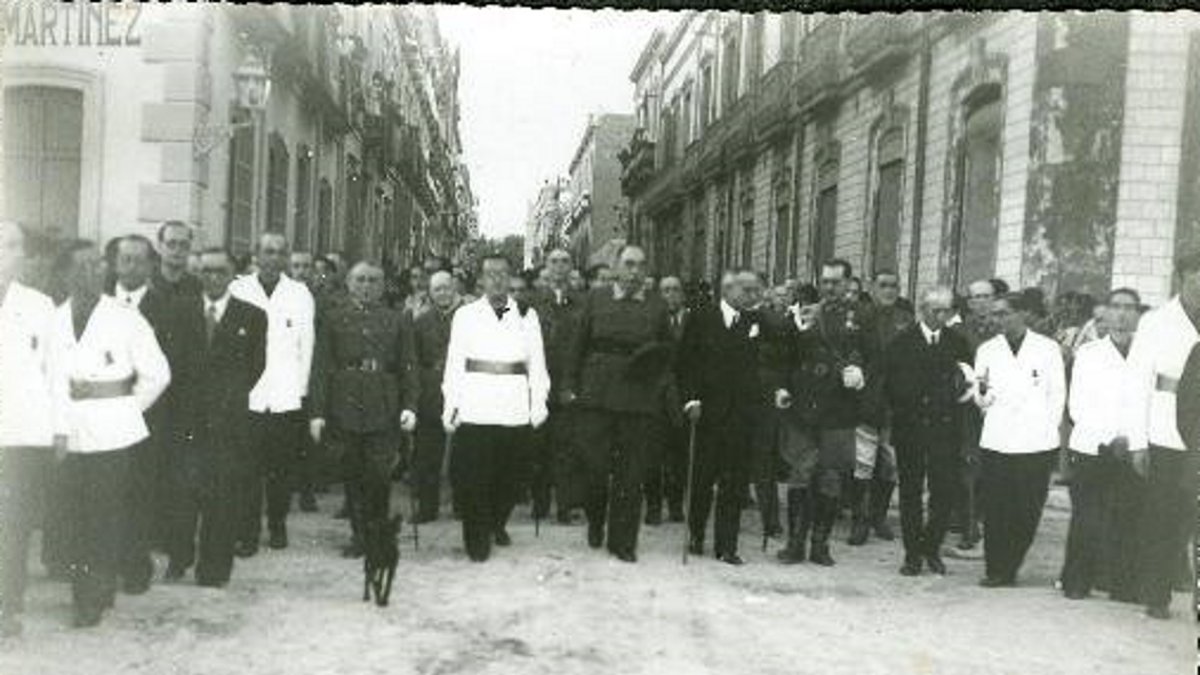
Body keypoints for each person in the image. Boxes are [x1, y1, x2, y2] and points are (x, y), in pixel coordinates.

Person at [49, 239, 170, 627]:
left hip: (111, 434)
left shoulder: (126, 319)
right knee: (73, 515)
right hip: (67, 430)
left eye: (98, 265)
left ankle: (94, 595)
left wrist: (124, 409)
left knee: (105, 515)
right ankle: (83, 588)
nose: (93, 272)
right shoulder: (54, 318)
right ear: (65, 273)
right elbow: (47, 377)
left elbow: (158, 374)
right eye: (82, 266)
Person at [563, 245, 673, 563]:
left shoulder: (656, 306)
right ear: (615, 267)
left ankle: (623, 541)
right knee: (594, 470)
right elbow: (577, 347)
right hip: (597, 396)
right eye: (628, 264)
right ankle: (596, 521)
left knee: (632, 474)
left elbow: (667, 353)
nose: (634, 271)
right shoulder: (595, 300)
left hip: (639, 400)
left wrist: (657, 384)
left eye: (640, 265)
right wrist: (570, 385)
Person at [165, 248, 266, 586]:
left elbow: (255, 367)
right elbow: (171, 364)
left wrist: (227, 400)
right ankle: (178, 559)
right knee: (183, 495)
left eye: (220, 271)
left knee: (222, 498)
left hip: (227, 423)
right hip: (187, 421)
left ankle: (214, 569)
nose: (212, 278)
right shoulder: (179, 311)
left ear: (232, 275)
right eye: (206, 271)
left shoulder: (251, 317)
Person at [442, 254, 550, 562]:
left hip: (514, 402)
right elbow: (454, 364)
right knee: (473, 475)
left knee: (511, 475)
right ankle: (477, 539)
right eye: (490, 274)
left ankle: (495, 522)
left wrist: (538, 401)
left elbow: (537, 363)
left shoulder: (527, 316)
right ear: (481, 280)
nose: (497, 279)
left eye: (503, 273)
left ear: (511, 277)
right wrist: (451, 402)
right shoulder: (465, 315)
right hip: (476, 402)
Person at [309, 261, 417, 557]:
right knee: (353, 474)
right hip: (345, 404)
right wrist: (318, 412)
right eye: (360, 280)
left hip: (383, 404)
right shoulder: (333, 319)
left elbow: (408, 367)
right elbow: (320, 368)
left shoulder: (397, 320)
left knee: (379, 476)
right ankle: (359, 535)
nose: (366, 286)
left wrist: (410, 406)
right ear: (348, 283)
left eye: (372, 281)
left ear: (382, 286)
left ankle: (377, 535)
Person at [772, 259, 875, 567]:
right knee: (800, 475)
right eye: (825, 281)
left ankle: (820, 544)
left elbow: (877, 359)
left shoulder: (863, 318)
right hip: (804, 409)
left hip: (839, 411)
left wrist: (862, 374)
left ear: (847, 284)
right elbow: (785, 357)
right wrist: (781, 387)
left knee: (831, 478)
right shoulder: (806, 314)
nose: (829, 288)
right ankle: (795, 543)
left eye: (835, 282)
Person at [679, 271, 773, 565]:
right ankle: (695, 534)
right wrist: (691, 398)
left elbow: (774, 352)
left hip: (741, 415)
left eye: (756, 290)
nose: (753, 295)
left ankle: (727, 545)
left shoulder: (756, 321)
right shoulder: (701, 318)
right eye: (748, 290)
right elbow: (686, 362)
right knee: (702, 480)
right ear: (728, 289)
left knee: (733, 483)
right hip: (707, 413)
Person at [229, 233, 315, 555]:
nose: (274, 258)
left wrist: (302, 392)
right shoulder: (239, 289)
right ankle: (247, 533)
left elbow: (307, 346)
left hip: (285, 397)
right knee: (247, 470)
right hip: (248, 396)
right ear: (256, 255)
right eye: (268, 251)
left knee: (280, 470)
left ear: (286, 257)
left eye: (280, 253)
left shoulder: (300, 293)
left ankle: (277, 524)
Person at [973, 292, 1066, 588]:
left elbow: (1057, 395)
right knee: (996, 507)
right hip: (998, 440)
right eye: (994, 315)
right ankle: (995, 568)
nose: (998, 320)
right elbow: (980, 396)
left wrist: (1046, 429)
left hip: (1035, 442)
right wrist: (983, 396)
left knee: (1027, 508)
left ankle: (1011, 564)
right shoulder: (987, 349)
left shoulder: (1048, 349)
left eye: (1003, 314)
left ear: (1022, 314)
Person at [1059, 288, 1145, 601]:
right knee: (1087, 517)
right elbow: (1079, 406)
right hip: (1094, 446)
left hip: (1134, 448)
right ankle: (1077, 581)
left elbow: (1146, 403)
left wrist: (1132, 439)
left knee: (1128, 517)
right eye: (1116, 307)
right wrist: (1110, 438)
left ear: (1138, 314)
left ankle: (1123, 585)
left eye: (1129, 308)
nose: (1122, 314)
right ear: (1106, 313)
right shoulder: (1089, 354)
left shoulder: (1147, 354)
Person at [1128, 252, 1200, 619]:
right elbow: (1138, 381)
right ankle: (1156, 594)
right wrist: (1138, 441)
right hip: (1166, 430)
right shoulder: (1156, 322)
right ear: (1181, 278)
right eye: (1196, 275)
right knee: (1163, 515)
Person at [881, 286, 972, 575]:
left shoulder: (957, 342)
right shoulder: (902, 342)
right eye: (936, 311)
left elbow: (967, 381)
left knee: (943, 492)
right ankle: (912, 554)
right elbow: (891, 386)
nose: (941, 316)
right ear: (922, 310)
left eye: (947, 311)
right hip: (912, 429)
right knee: (910, 492)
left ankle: (931, 547)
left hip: (946, 430)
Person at [0, 222, 58, 638]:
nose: (6, 253)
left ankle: (7, 604)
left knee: (13, 521)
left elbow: (54, 373)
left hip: (20, 434)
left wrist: (57, 428)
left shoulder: (40, 306)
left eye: (13, 245)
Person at [847, 270, 914, 547]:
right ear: (873, 288)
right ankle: (859, 520)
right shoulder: (860, 316)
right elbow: (851, 350)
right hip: (866, 400)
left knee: (889, 464)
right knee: (862, 463)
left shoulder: (906, 320)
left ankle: (879, 516)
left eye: (894, 286)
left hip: (895, 404)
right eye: (883, 285)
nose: (889, 290)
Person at [530, 248, 585, 524]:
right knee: (538, 446)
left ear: (572, 266)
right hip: (540, 383)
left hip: (568, 384)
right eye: (554, 262)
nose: (559, 267)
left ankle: (564, 506)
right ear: (546, 267)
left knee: (567, 447)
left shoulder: (582, 303)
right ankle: (539, 504)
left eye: (565, 261)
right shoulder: (532, 303)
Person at [410, 271, 461, 523]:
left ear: (455, 288)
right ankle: (427, 508)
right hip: (431, 393)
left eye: (447, 288)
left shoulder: (469, 318)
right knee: (427, 453)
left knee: (463, 452)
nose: (443, 293)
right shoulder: (421, 322)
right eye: (437, 289)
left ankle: (463, 506)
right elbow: (413, 359)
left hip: (463, 391)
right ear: (430, 293)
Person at [644, 275, 689, 524]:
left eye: (675, 290)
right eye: (665, 290)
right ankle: (653, 505)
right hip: (654, 397)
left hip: (682, 397)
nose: (670, 295)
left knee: (679, 455)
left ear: (682, 294)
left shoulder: (692, 322)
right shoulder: (649, 322)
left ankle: (674, 504)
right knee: (652, 454)